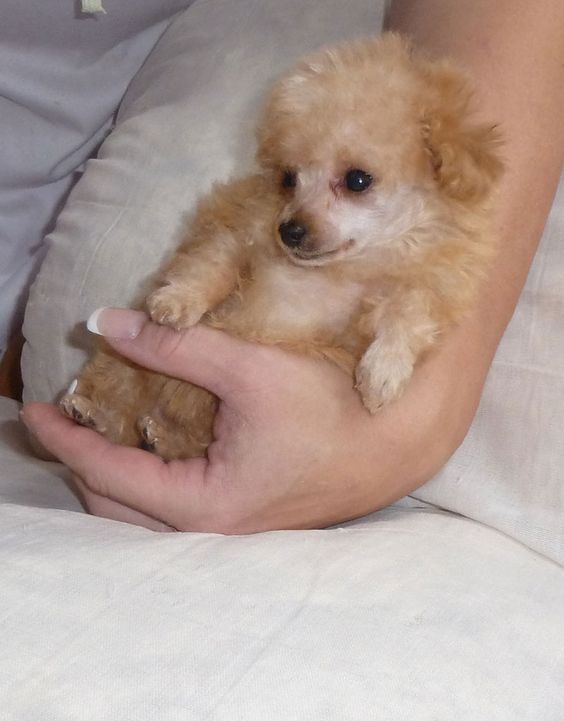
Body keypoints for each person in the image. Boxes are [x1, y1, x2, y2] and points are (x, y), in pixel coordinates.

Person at [21, 0, 564, 533]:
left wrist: (413, 420)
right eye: (289, 179)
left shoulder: (432, 246)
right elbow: (222, 248)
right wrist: (191, 290)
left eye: (355, 182)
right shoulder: (260, 219)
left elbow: (429, 300)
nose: (298, 219)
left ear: (441, 162)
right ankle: (113, 411)